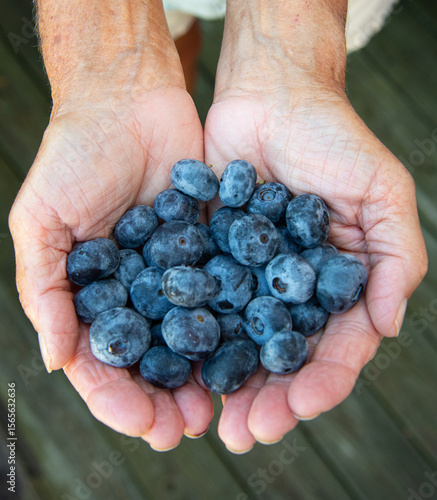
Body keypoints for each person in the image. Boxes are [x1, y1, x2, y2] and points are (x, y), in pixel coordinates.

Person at [9, 0, 427, 454]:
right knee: (171, 36)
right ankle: (164, 79)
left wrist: (292, 68)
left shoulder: (255, 264)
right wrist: (107, 79)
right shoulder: (172, 270)